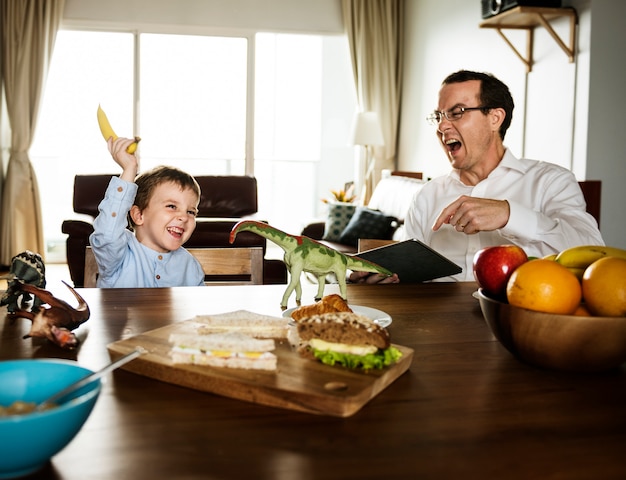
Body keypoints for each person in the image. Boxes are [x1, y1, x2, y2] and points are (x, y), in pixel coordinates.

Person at [352, 70, 604, 283]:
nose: (441, 126)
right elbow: (408, 273)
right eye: (439, 116)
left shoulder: (551, 181)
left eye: (457, 112)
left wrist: (508, 214)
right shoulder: (427, 196)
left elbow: (592, 250)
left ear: (495, 118)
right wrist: (390, 277)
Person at [89, 137, 205, 287]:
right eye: (171, 206)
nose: (183, 217)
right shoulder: (118, 255)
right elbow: (107, 234)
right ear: (139, 215)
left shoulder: (190, 266)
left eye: (191, 212)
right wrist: (129, 169)